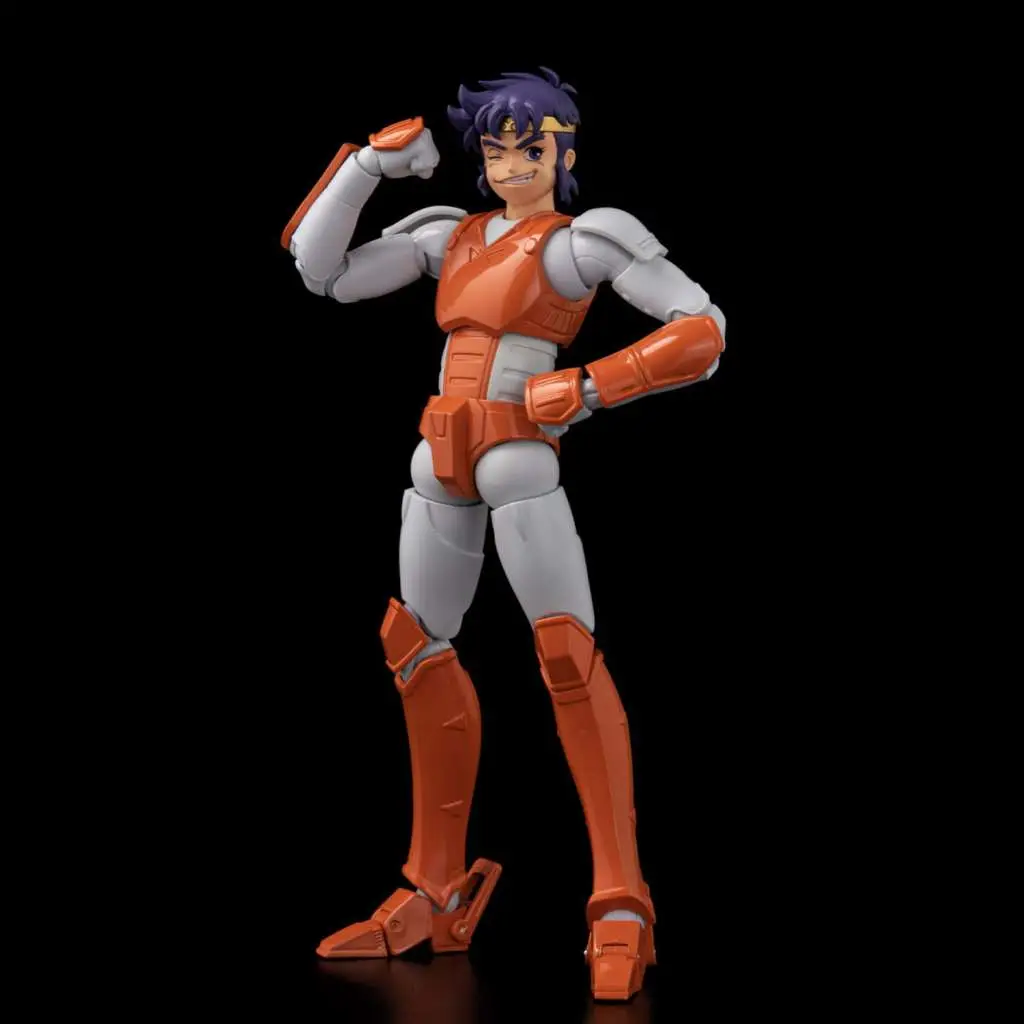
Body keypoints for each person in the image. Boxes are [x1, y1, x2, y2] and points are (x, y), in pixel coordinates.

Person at [281, 67, 725, 1002]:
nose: (511, 164)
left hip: (520, 457)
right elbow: (323, 272)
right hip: (438, 461)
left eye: (530, 148)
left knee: (565, 655)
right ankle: (436, 890)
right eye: (495, 148)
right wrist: (366, 168)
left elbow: (702, 329)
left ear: (563, 152)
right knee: (417, 652)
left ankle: (620, 901)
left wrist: (595, 386)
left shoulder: (582, 242)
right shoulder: (451, 236)